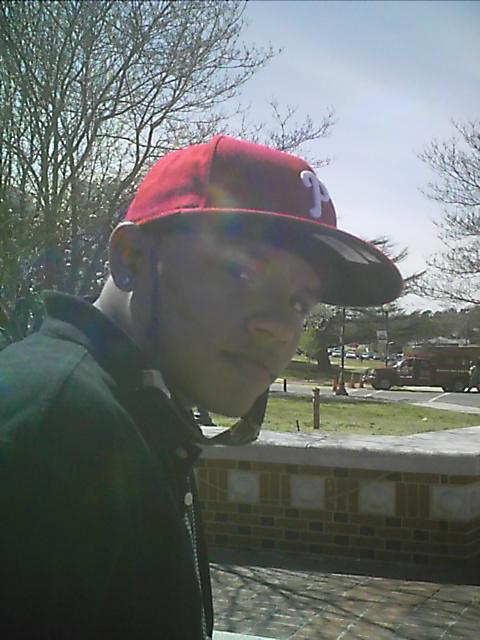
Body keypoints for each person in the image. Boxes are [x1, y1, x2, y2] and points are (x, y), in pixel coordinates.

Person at [0, 135, 403, 639]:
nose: (280, 327)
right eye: (241, 273)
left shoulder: (140, 410)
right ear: (131, 257)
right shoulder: (51, 428)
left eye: (300, 303)